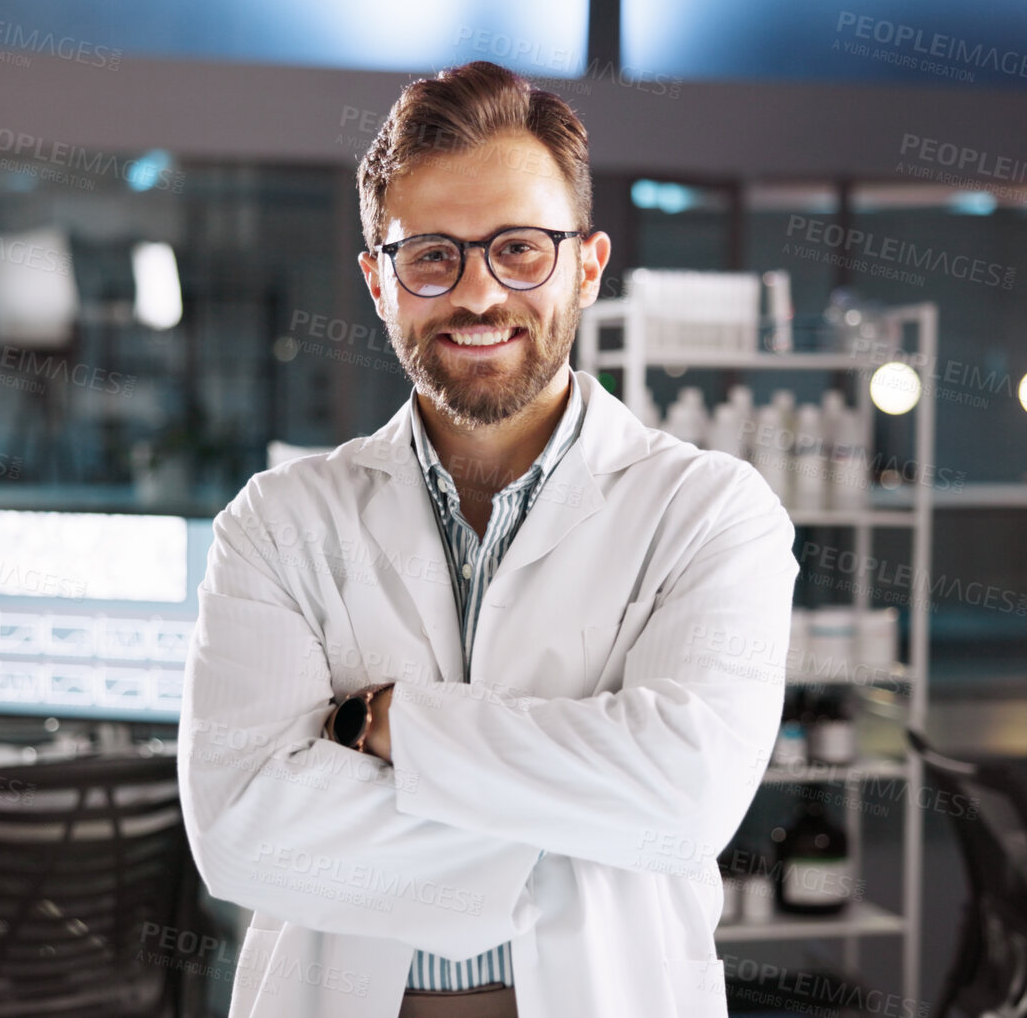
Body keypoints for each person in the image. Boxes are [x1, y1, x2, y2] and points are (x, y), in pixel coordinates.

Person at [178, 60, 799, 1018]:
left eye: (519, 248)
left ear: (587, 267)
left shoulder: (712, 512)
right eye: (431, 254)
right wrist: (578, 817)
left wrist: (392, 725)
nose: (477, 294)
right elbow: (242, 834)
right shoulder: (276, 522)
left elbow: (683, 801)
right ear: (378, 282)